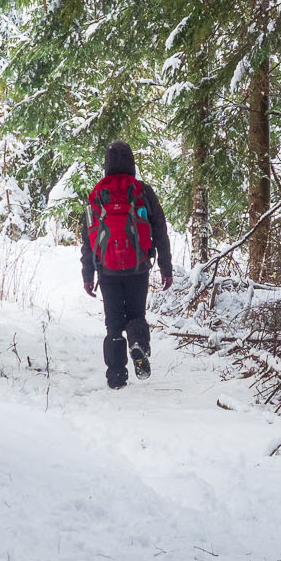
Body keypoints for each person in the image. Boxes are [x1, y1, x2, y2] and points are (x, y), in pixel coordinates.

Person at [81, 141, 173, 389]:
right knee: (136, 314)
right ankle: (138, 345)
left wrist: (88, 274)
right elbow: (160, 232)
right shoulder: (142, 191)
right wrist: (166, 268)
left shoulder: (98, 193)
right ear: (132, 162)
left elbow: (88, 238)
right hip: (138, 266)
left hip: (107, 269)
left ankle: (116, 376)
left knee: (113, 323)